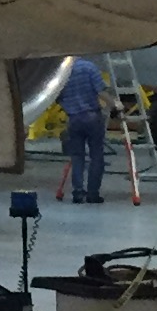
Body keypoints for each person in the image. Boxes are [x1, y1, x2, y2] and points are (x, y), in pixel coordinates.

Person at [59, 56, 110, 204]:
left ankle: (78, 193)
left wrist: (70, 106)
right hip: (92, 117)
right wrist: (114, 104)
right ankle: (93, 194)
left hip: (73, 119)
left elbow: (58, 96)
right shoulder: (89, 67)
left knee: (77, 157)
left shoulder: (63, 71)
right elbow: (100, 91)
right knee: (96, 156)